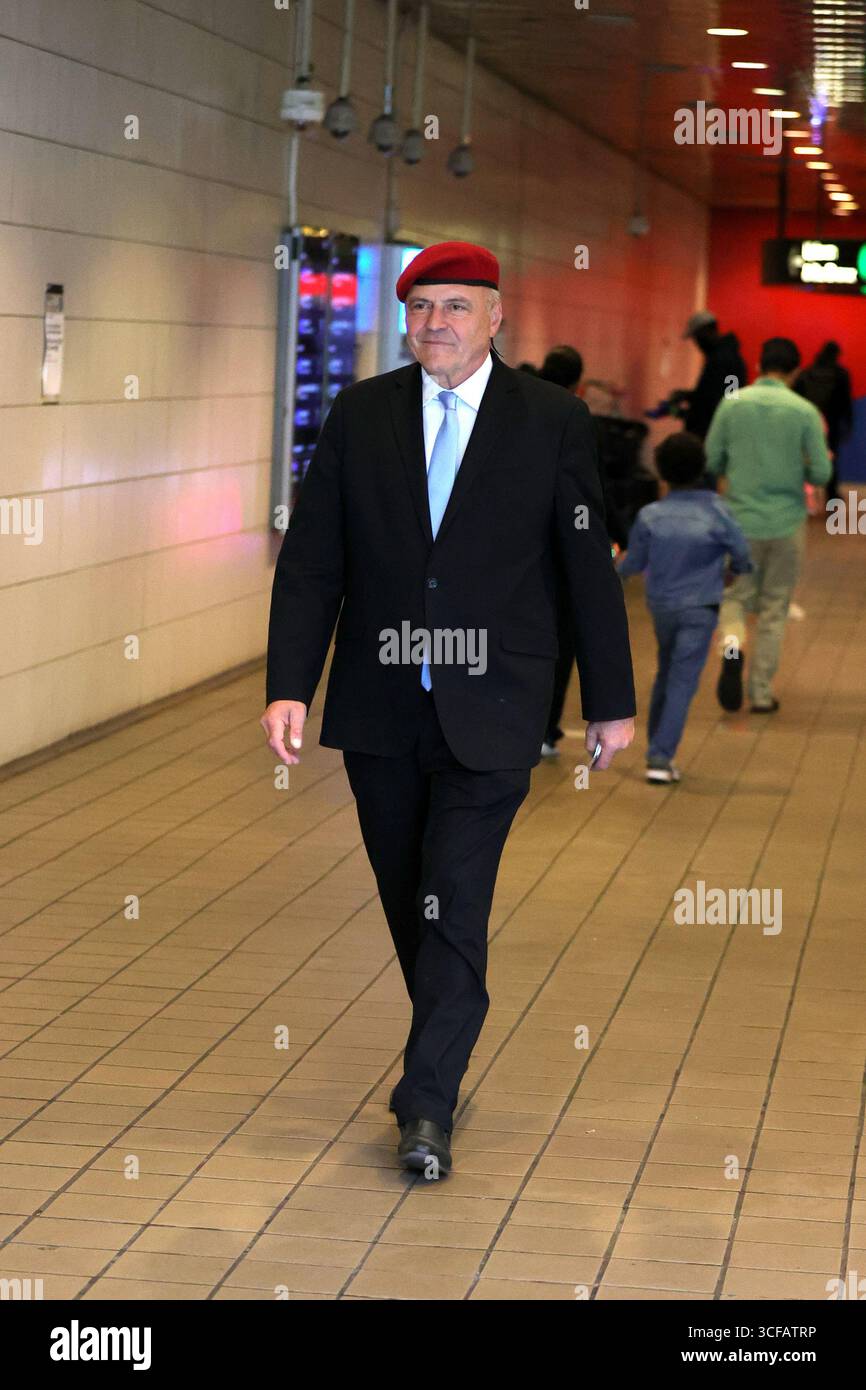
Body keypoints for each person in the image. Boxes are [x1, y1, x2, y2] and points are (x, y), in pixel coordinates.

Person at [261, 241, 636, 1176]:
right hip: (383, 706)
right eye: (422, 307)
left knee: (453, 904)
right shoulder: (361, 414)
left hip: (496, 706)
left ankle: (425, 1106)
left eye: (458, 307)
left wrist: (610, 702)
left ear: (496, 317)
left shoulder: (550, 420)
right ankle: (440, 1053)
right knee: (408, 901)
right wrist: (288, 684)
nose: (438, 324)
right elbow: (313, 561)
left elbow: (585, 565)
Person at [705, 337, 832, 714]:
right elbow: (823, 472)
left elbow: (712, 460)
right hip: (785, 522)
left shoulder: (732, 403)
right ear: (795, 371)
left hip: (738, 520)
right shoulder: (805, 411)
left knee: (734, 598)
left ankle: (733, 646)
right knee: (775, 606)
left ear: (758, 365)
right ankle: (760, 693)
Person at [617, 433, 751, 784]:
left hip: (661, 606)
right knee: (682, 680)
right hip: (702, 606)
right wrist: (730, 574)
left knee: (666, 671)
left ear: (663, 473)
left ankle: (655, 747)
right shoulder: (718, 511)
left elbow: (631, 566)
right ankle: (660, 758)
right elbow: (743, 557)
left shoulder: (650, 515)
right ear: (701, 468)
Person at [536, 346, 629, 757]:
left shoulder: (507, 407)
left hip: (518, 557)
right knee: (561, 642)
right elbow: (598, 491)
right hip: (564, 552)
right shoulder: (573, 417)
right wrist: (617, 535)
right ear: (578, 383)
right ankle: (545, 727)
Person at [794, 341, 853, 499]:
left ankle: (805, 495)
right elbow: (845, 402)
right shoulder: (841, 374)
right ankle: (831, 495)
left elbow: (797, 398)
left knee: (806, 457)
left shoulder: (806, 373)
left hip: (809, 421)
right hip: (832, 423)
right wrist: (848, 422)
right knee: (831, 458)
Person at [681, 311, 748, 440]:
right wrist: (688, 396)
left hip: (713, 433)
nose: (697, 343)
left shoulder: (726, 359)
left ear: (706, 331)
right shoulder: (720, 357)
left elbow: (731, 397)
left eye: (697, 337)